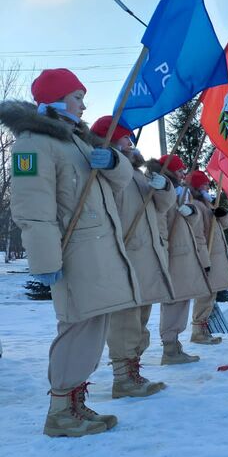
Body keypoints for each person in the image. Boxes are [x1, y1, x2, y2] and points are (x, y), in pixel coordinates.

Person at [0, 68, 137, 437]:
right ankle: (60, 410)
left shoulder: (79, 140)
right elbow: (31, 209)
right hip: (72, 255)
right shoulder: (33, 143)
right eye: (77, 97)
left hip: (100, 253)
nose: (83, 105)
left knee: (92, 328)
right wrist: (45, 262)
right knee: (77, 328)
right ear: (57, 100)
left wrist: (112, 161)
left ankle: (74, 402)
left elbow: (120, 181)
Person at [90, 117, 173, 398]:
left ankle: (133, 372)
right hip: (124, 254)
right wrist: (115, 162)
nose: (131, 142)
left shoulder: (137, 173)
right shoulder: (105, 166)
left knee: (140, 319)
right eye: (126, 137)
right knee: (125, 320)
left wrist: (163, 187)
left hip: (146, 256)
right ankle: (123, 379)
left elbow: (161, 207)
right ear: (111, 139)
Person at [146, 156, 212, 364]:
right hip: (171, 254)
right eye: (180, 170)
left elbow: (193, 223)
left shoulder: (182, 193)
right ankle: (170, 349)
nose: (184, 173)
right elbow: (160, 225)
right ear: (171, 171)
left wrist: (190, 210)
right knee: (173, 302)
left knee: (181, 300)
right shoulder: (159, 187)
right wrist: (163, 255)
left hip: (183, 254)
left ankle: (173, 347)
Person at [187, 170, 228, 345]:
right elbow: (198, 236)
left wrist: (222, 214)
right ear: (196, 186)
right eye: (204, 184)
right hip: (206, 257)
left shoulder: (208, 205)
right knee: (205, 295)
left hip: (213, 256)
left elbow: (225, 225)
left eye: (208, 184)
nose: (207, 187)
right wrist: (204, 261)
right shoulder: (195, 205)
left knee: (210, 294)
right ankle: (198, 332)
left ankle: (202, 330)